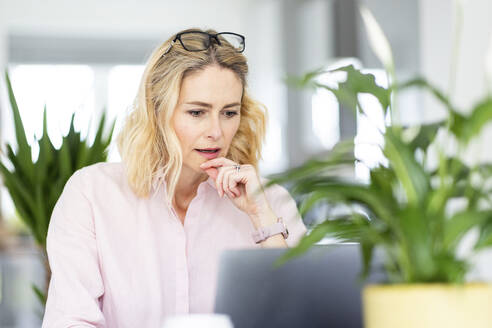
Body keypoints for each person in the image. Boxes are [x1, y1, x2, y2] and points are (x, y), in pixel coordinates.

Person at [41, 28, 307, 328]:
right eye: (197, 112)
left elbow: (305, 318)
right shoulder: (92, 194)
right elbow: (71, 321)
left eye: (229, 113)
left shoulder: (271, 203)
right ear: (157, 111)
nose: (216, 132)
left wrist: (262, 220)